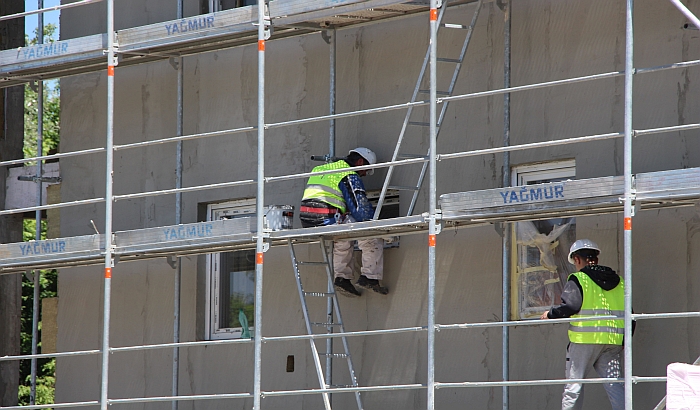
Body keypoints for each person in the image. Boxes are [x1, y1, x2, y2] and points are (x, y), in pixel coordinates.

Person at [540, 239, 626, 410]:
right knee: (615, 386)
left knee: (574, 387)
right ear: (596, 259)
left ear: (577, 259)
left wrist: (550, 314)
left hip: (584, 340)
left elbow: (571, 306)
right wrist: (624, 341)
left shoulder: (579, 278)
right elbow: (630, 313)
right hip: (612, 341)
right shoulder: (619, 281)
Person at [299, 147, 388, 297]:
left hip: (308, 220)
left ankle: (342, 279)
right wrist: (379, 226)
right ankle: (370, 277)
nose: (365, 174)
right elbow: (360, 210)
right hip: (326, 218)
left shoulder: (319, 169)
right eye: (366, 170)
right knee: (370, 234)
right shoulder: (348, 173)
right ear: (360, 162)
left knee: (342, 238)